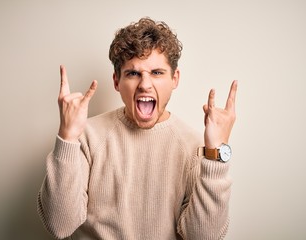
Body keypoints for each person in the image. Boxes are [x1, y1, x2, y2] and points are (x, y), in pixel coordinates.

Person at [37, 17, 238, 240]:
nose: (144, 84)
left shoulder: (196, 147)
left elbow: (203, 237)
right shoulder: (86, 136)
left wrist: (216, 154)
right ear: (116, 81)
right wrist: (67, 137)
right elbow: (60, 225)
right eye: (133, 73)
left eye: (157, 72)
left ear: (175, 79)